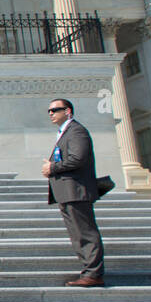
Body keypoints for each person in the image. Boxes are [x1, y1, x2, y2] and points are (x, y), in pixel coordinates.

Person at [43, 98, 106, 286]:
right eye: (49, 111)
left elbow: (78, 159)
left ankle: (93, 274)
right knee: (77, 234)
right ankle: (89, 271)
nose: (51, 114)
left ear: (68, 111)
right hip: (68, 193)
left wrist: (52, 168)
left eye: (55, 110)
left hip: (76, 190)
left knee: (85, 233)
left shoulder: (77, 131)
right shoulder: (65, 133)